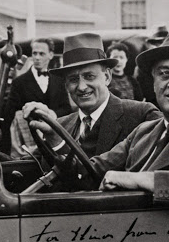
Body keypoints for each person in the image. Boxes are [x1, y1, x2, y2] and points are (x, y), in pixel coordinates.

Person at [26, 27, 169, 210]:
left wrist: (139, 180)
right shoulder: (145, 132)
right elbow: (88, 171)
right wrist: (54, 138)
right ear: (154, 82)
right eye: (164, 74)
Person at [23, 33, 161, 159]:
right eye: (73, 79)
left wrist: (58, 143)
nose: (82, 87)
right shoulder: (60, 126)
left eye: (89, 76)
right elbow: (26, 165)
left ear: (107, 77)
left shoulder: (141, 116)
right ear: (66, 86)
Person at [4, 38, 72, 155]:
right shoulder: (19, 82)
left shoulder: (59, 80)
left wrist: (53, 115)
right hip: (29, 145)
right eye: (34, 53)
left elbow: (66, 109)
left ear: (50, 55)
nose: (37, 57)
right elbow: (10, 114)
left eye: (41, 54)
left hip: (56, 142)